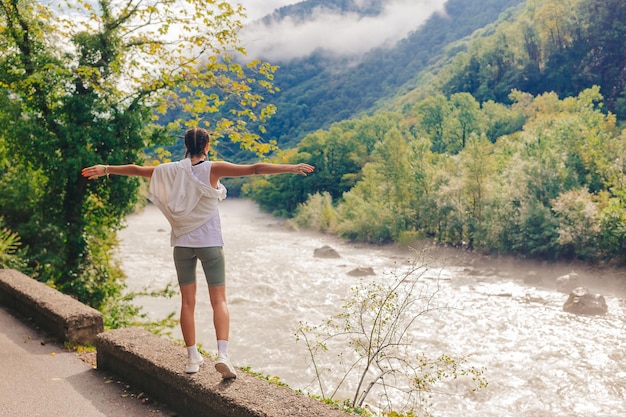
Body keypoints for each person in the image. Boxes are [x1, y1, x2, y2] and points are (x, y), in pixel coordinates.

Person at [82, 127, 314, 379]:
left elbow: (137, 170)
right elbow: (255, 168)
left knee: (188, 302)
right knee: (219, 301)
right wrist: (290, 167)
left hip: (182, 244)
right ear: (207, 145)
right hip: (210, 244)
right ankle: (223, 355)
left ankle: (192, 358)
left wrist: (105, 168)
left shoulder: (169, 169)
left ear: (185, 145)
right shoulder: (213, 168)